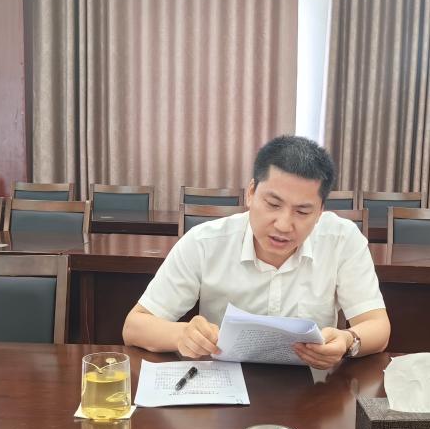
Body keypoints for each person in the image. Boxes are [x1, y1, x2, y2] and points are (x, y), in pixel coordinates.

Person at [122, 136, 390, 369]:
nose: (283, 225)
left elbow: (378, 326)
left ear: (320, 211)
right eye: (273, 204)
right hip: (222, 389)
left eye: (302, 211)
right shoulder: (205, 242)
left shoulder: (342, 240)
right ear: (251, 193)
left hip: (312, 389)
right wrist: (182, 335)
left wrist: (348, 340)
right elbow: (134, 327)